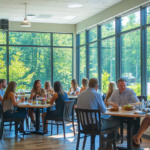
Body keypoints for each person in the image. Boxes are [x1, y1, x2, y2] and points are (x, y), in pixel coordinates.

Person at [77, 78, 120, 150]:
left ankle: (102, 145)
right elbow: (103, 110)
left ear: (89, 84)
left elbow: (78, 107)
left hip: (84, 126)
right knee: (117, 122)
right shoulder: (97, 95)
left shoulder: (80, 94)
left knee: (102, 120)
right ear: (97, 86)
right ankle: (109, 146)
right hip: (96, 126)